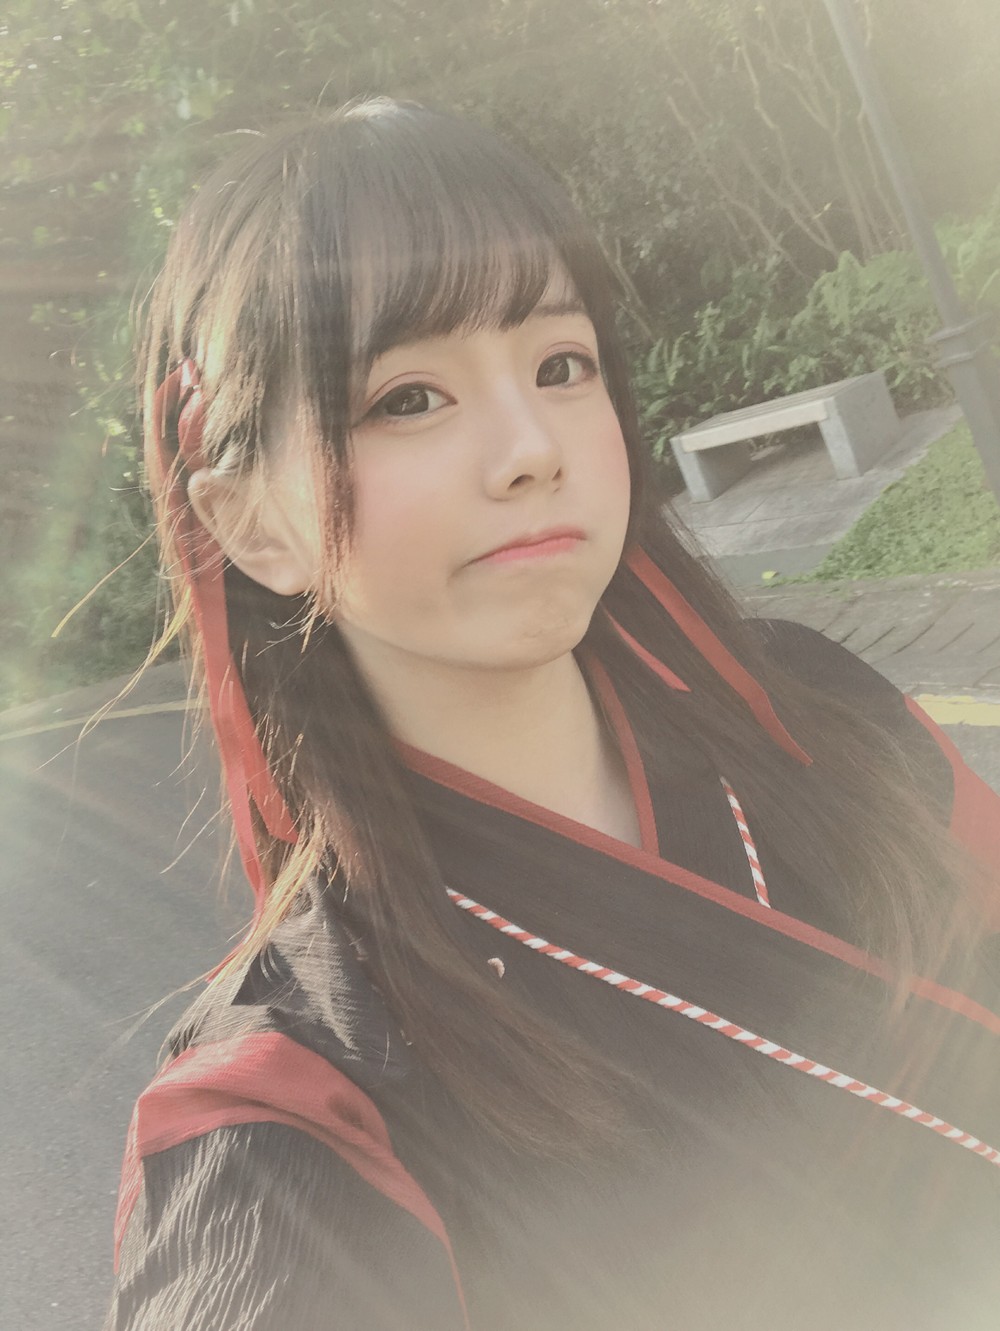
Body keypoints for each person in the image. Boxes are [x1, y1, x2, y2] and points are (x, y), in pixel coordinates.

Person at [106, 98, 1000, 1331]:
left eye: (560, 365)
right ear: (249, 522)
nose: (532, 446)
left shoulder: (818, 711)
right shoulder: (291, 1110)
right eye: (407, 397)